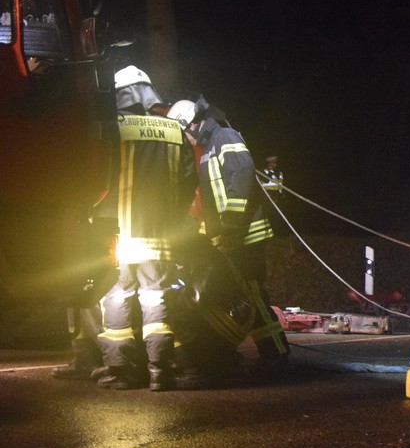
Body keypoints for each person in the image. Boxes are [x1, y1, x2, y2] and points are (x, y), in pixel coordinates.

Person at [169, 96, 291, 374]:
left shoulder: (224, 136)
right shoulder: (208, 146)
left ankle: (278, 357)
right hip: (231, 235)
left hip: (244, 235)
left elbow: (243, 175)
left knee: (254, 295)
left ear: (190, 125)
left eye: (183, 134)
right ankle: (259, 355)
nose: (185, 141)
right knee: (242, 295)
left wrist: (231, 222)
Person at [94, 65, 198, 390]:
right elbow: (186, 181)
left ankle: (121, 371)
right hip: (160, 234)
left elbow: (98, 176)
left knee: (116, 296)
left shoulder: (115, 127)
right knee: (156, 298)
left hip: (119, 232)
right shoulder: (173, 129)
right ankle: (159, 371)